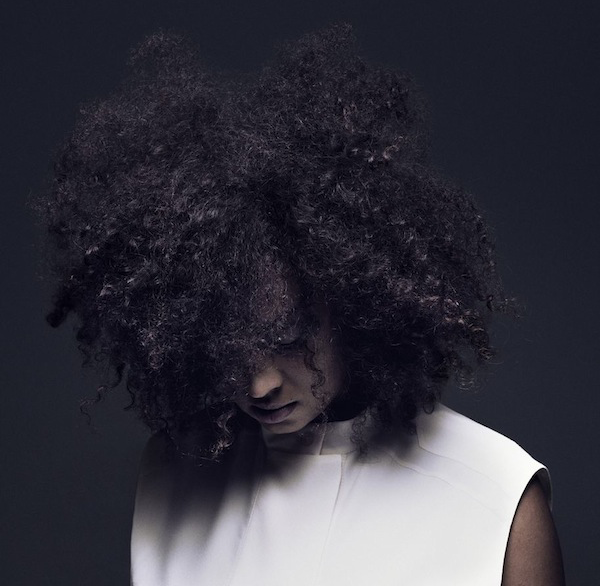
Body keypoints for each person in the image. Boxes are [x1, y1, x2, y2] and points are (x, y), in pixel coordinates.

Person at [38, 23, 565, 585]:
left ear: (356, 305)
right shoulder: (175, 470)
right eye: (228, 348)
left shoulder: (496, 499)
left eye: (289, 339)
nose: (259, 384)